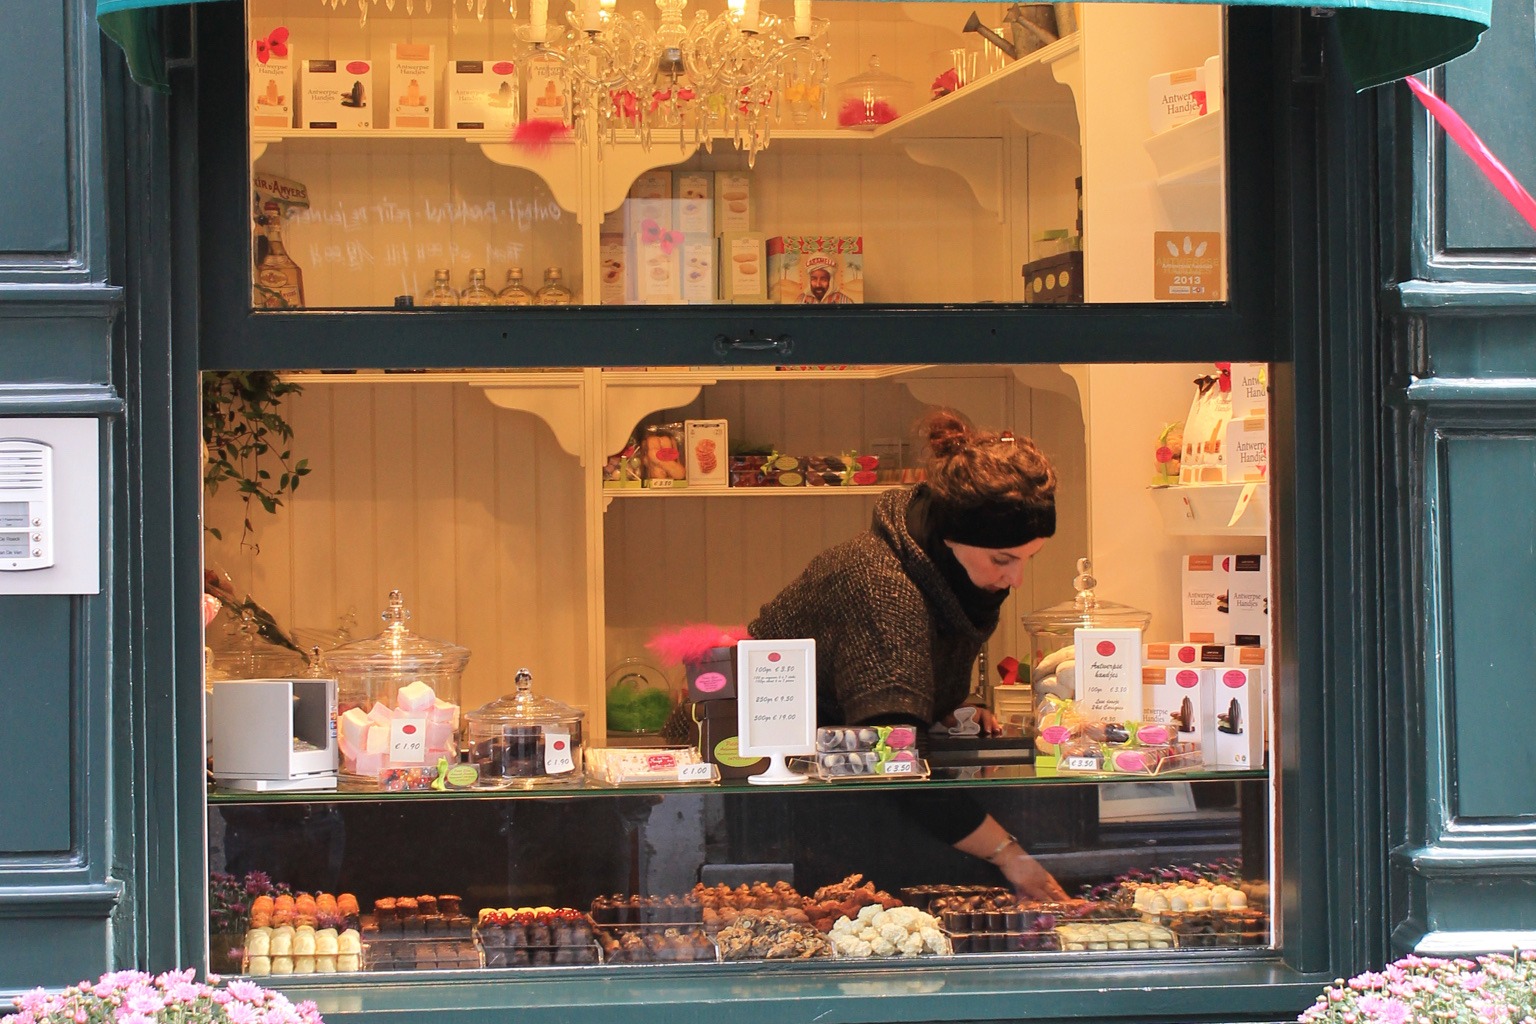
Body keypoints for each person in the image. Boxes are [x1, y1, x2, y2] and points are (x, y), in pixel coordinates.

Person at [749, 411, 1068, 900]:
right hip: (784, 806)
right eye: (1003, 560)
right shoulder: (883, 588)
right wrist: (1014, 859)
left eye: (1029, 558)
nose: (1016, 580)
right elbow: (891, 763)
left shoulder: (938, 568)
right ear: (949, 537)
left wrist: (950, 704)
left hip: (854, 800)